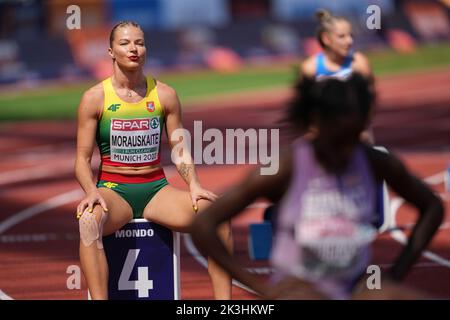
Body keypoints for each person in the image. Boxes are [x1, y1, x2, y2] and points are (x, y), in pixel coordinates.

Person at [190, 74, 444, 299]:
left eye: (353, 138)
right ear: (316, 126)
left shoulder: (373, 161)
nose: (345, 151)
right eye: (337, 140)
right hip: (300, 288)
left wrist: (397, 273)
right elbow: (204, 224)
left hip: (358, 287)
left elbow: (432, 207)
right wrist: (262, 288)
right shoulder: (286, 166)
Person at [75, 21, 232, 300]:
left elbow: (179, 147)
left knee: (217, 216)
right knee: (88, 221)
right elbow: (82, 159)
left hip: (157, 191)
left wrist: (194, 184)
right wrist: (91, 192)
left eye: (139, 42)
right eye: (125, 43)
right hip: (114, 192)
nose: (134, 49)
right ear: (111, 51)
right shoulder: (94, 98)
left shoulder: (164, 95)